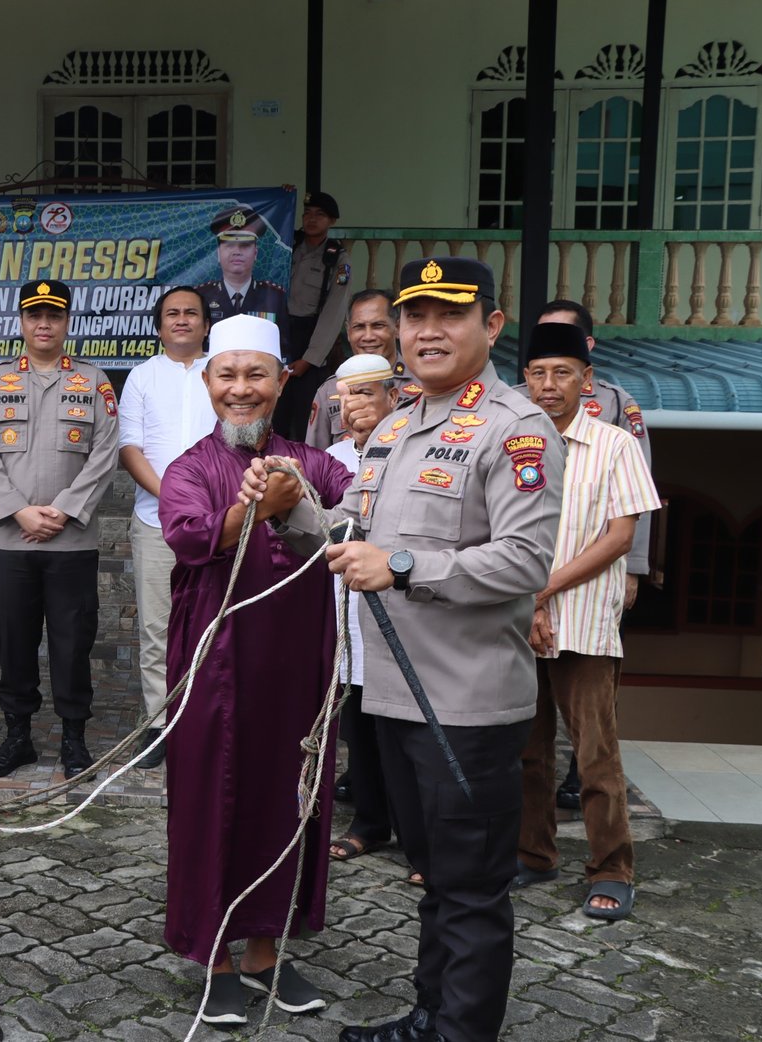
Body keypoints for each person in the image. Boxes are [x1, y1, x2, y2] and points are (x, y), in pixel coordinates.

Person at [265, 257, 564, 1042]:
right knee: (433, 876)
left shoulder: (516, 429)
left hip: (466, 703)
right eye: (414, 316)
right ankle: (432, 1018)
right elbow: (354, 539)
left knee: (470, 888)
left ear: (490, 326)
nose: (427, 331)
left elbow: (524, 564)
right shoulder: (394, 426)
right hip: (392, 696)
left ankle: (460, 1032)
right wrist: (292, 509)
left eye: (449, 315)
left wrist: (402, 567)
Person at [157, 313, 350, 1025]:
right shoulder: (189, 468)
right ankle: (212, 955)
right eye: (227, 375)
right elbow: (189, 537)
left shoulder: (313, 460)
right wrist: (253, 512)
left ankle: (267, 951)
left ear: (279, 383)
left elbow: (357, 510)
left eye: (256, 376)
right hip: (215, 670)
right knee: (212, 801)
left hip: (297, 674)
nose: (242, 390)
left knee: (287, 801)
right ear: (208, 383)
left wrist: (297, 497)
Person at [515, 320, 660, 922]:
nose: (550, 385)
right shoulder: (511, 441)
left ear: (587, 380)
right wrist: (527, 605)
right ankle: (534, 854)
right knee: (526, 752)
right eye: (538, 373)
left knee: (596, 755)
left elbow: (620, 536)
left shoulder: (614, 443)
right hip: (519, 621)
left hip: (584, 625)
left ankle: (612, 869)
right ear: (524, 380)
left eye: (563, 374)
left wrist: (542, 593)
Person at [0, 280, 120, 780]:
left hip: (72, 539)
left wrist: (64, 508)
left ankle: (74, 739)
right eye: (34, 315)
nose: (43, 325)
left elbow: (105, 451)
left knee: (72, 640)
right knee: (12, 638)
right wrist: (17, 511)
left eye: (53, 316)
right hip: (12, 540)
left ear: (66, 322)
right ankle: (19, 737)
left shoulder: (94, 380)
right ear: (21, 322)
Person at [115, 285, 217, 769]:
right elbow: (129, 448)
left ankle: (206, 719)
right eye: (172, 314)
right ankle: (157, 724)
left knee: (214, 623)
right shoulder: (140, 376)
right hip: (154, 520)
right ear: (159, 326)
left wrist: (206, 505)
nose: (181, 320)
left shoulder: (223, 371)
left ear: (205, 324)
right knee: (158, 627)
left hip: (220, 523)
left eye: (190, 313)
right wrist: (175, 497)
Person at [320, 355, 402, 871]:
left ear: (393, 397)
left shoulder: (412, 448)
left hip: (399, 608)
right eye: (345, 397)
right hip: (345, 612)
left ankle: (419, 836)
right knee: (360, 726)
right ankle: (370, 823)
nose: (353, 407)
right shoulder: (329, 458)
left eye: (365, 394)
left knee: (404, 733)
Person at [273, 191, 351, 439]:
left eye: (320, 214)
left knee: (306, 414)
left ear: (332, 221)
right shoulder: (288, 246)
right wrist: (280, 197)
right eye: (307, 213)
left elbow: (333, 312)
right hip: (281, 334)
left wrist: (310, 358)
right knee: (276, 411)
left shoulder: (337, 259)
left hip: (312, 338)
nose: (312, 219)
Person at [305, 289, 422, 450]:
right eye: (359, 327)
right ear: (348, 331)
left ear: (397, 327)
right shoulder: (329, 390)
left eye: (378, 326)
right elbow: (314, 460)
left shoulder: (424, 383)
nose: (368, 336)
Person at [197, 205, 285, 326]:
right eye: (229, 245)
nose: (237, 252)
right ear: (218, 253)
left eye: (245, 245)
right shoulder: (201, 296)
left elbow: (282, 342)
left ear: (255, 253)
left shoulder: (274, 297)